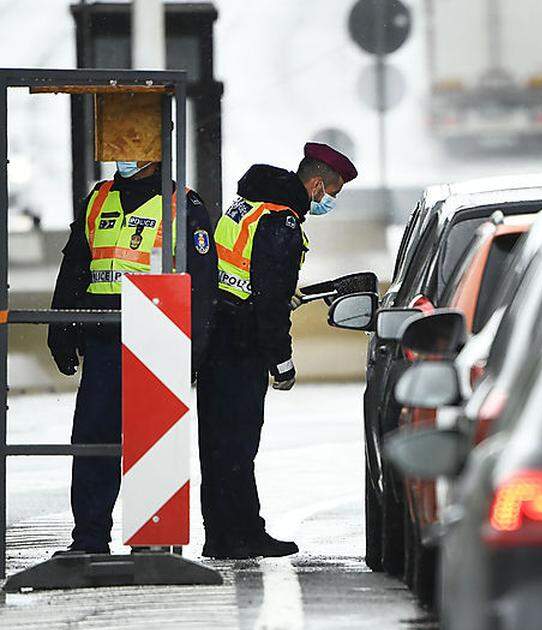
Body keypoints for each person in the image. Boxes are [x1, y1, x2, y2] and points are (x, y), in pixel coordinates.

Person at [48, 159, 216, 554]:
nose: (121, 153)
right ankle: (88, 538)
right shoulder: (99, 198)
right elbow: (75, 266)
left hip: (157, 339)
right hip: (104, 338)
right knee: (93, 438)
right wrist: (61, 329)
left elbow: (202, 284)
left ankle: (151, 542)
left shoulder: (183, 205)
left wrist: (194, 349)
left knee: (153, 440)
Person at [197, 143, 356, 559]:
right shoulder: (281, 221)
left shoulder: (249, 205)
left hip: (218, 334)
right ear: (317, 183)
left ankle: (221, 535)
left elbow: (243, 276)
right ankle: (244, 535)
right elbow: (267, 299)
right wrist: (281, 362)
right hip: (241, 341)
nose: (329, 202)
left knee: (217, 443)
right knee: (238, 444)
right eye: (332, 193)